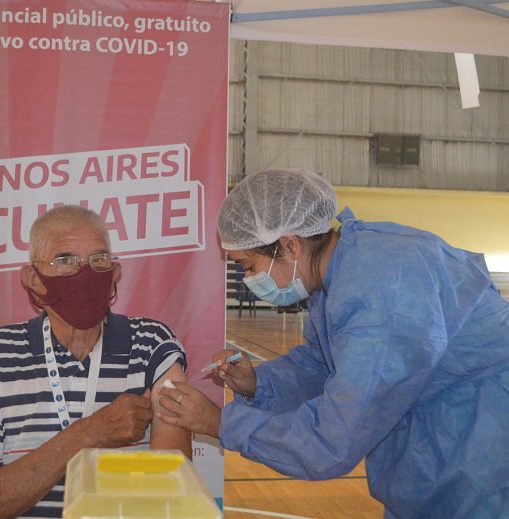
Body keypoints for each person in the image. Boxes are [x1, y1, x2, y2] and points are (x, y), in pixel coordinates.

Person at [158, 168, 509, 519]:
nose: (249, 279)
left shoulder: (380, 291)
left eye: (249, 266)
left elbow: (332, 440)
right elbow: (322, 362)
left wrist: (220, 423)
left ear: (289, 245)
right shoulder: (344, 269)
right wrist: (259, 382)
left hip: (480, 455)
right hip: (439, 451)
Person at [0, 205, 191, 519]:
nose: (85, 274)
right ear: (33, 278)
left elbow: (172, 485)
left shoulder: (151, 344)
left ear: (115, 271)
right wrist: (89, 434)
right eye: (64, 260)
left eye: (99, 259)